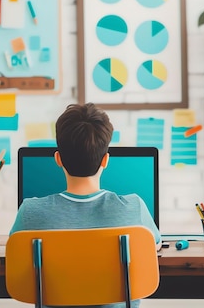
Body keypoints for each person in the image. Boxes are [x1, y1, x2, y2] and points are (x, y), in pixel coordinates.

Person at [9, 103, 160, 307]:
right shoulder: (134, 206)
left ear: (58, 159)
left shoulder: (30, 211)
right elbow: (155, 245)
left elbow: (16, 257)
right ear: (106, 160)